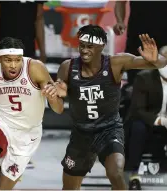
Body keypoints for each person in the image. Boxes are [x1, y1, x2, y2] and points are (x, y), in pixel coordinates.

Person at [55, 24, 167, 189]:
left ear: (101, 46)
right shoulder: (67, 67)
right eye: (82, 46)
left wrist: (156, 59)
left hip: (108, 129)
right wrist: (55, 97)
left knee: (115, 173)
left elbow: (159, 64)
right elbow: (57, 109)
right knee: (69, 187)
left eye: (90, 46)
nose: (84, 50)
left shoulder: (116, 63)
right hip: (81, 133)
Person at [0, 37, 64, 190]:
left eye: (17, 60)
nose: (13, 65)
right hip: (0, 123)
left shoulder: (35, 68)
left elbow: (59, 109)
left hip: (27, 134)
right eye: (8, 60)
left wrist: (53, 97)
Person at [124, 46, 167, 189]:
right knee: (138, 127)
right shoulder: (145, 77)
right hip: (146, 121)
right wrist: (160, 120)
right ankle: (133, 174)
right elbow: (138, 109)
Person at [113, 1, 167, 86]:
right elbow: (120, 2)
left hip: (164, 36)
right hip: (138, 35)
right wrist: (120, 21)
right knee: (136, 79)